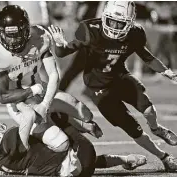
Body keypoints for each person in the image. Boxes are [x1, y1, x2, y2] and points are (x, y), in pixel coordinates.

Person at [48, 1, 177, 172]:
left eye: (120, 23)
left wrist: (166, 71)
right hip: (98, 87)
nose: (115, 27)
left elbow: (147, 56)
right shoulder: (90, 30)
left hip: (120, 77)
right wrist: (59, 44)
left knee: (149, 110)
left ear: (130, 22)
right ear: (104, 17)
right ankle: (164, 157)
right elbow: (64, 51)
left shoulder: (136, 33)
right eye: (111, 21)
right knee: (133, 129)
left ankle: (156, 128)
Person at [0, 5, 103, 150]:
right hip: (19, 103)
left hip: (43, 91)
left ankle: (62, 119)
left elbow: (53, 75)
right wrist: (33, 90)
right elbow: (3, 96)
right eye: (8, 35)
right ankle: (22, 149)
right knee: (61, 144)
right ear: (1, 32)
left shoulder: (39, 38)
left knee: (85, 113)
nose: (12, 41)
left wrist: (45, 105)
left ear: (26, 31)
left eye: (17, 34)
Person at [0, 114, 147, 177]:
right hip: (81, 156)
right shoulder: (9, 140)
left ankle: (124, 159)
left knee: (55, 152)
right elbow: (29, 117)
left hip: (76, 171)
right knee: (52, 114)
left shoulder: (0, 165)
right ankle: (85, 126)